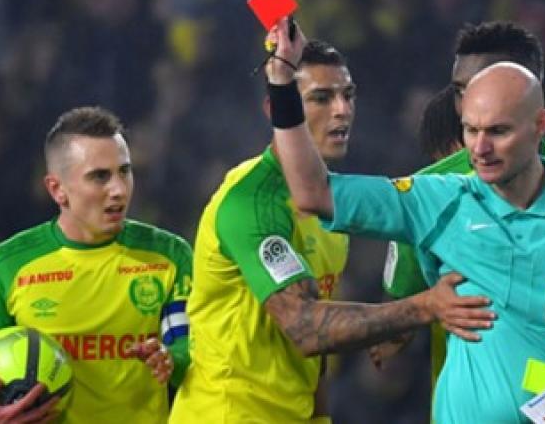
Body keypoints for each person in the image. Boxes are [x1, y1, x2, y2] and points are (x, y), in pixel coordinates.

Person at [268, 18, 545, 423]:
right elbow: (314, 192)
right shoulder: (439, 197)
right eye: (471, 130)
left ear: (540, 125)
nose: (480, 148)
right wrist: (282, 85)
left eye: (498, 131)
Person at [169, 40, 490, 424]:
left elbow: (316, 348)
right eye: (321, 98)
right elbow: (305, 327)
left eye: (347, 95)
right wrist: (423, 307)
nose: (342, 110)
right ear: (279, 109)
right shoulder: (251, 203)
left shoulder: (329, 207)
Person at [378, 21, 545, 394]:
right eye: (460, 91)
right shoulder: (426, 193)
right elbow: (394, 326)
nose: (470, 104)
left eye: (482, 86)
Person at [0, 106, 193, 424]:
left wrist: (171, 359)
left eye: (125, 171)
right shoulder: (6, 266)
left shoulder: (168, 255)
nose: (119, 189)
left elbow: (192, 344)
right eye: (100, 176)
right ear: (57, 189)